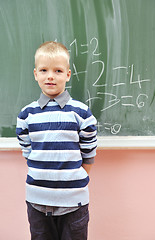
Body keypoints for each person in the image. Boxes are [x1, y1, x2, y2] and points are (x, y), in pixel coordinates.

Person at [16, 41, 97, 240]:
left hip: (74, 204)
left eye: (58, 70)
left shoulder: (81, 113)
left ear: (68, 75)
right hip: (37, 202)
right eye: (44, 70)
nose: (50, 76)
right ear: (35, 74)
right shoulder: (26, 115)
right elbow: (27, 149)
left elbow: (89, 151)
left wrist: (76, 179)